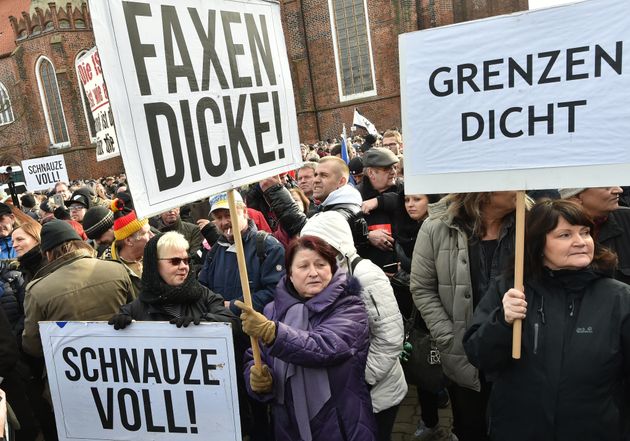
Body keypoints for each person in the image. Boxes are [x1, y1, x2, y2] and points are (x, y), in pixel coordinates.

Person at [463, 199, 630, 441]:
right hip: (518, 429)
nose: (580, 242)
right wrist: (502, 321)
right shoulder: (511, 289)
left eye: (585, 233)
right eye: (565, 235)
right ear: (539, 243)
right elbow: (479, 355)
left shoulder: (619, 298)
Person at [238, 235, 377, 441]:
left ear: (331, 268)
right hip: (287, 428)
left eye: (320, 264)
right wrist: (257, 378)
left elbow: (326, 347)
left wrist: (273, 333)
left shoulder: (349, 306)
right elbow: (256, 354)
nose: (313, 273)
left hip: (340, 424)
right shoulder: (272, 311)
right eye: (303, 266)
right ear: (290, 274)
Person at [411, 192, 521, 441]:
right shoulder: (436, 227)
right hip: (463, 356)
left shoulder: (531, 223)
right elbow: (422, 287)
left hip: (517, 356)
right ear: (485, 189)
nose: (520, 188)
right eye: (511, 181)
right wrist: (447, 336)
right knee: (471, 427)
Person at [300, 212, 407, 441]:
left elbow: (389, 338)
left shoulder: (366, 276)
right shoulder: (321, 278)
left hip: (375, 395)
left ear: (337, 245)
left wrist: (361, 380)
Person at [22, 220, 133, 358]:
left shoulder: (37, 290)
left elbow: (32, 346)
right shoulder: (116, 269)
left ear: (48, 253)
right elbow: (136, 316)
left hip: (67, 369)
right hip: (122, 359)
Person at [108, 231, 238, 329]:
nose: (184, 267)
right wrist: (121, 332)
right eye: (175, 261)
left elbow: (234, 326)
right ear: (154, 264)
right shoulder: (135, 309)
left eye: (186, 261)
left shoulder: (205, 296)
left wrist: (203, 323)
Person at [198, 192, 285, 315]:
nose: (224, 222)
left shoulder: (268, 247)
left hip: (256, 329)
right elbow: (203, 287)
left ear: (244, 212)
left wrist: (233, 306)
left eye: (228, 215)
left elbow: (276, 291)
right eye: (218, 218)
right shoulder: (215, 250)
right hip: (223, 327)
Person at [559, 186, 630, 284]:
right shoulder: (549, 226)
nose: (619, 190)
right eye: (606, 186)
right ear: (575, 198)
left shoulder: (626, 219)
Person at [357, 147, 406, 271]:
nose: (393, 172)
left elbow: (411, 201)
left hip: (405, 271)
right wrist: (367, 236)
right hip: (372, 272)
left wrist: (379, 201)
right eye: (386, 169)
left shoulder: (403, 188)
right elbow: (347, 230)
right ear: (371, 173)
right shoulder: (355, 196)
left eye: (394, 167)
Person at [103, 198, 153, 298]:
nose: (152, 235)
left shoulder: (158, 252)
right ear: (129, 241)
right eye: (145, 233)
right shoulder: (107, 270)